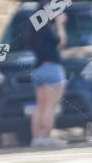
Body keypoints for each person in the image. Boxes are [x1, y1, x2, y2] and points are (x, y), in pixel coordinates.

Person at [29, 11, 68, 147]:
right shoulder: (49, 31)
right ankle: (46, 136)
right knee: (50, 106)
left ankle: (36, 137)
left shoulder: (33, 32)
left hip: (37, 69)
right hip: (52, 68)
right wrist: (59, 23)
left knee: (39, 105)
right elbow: (61, 41)